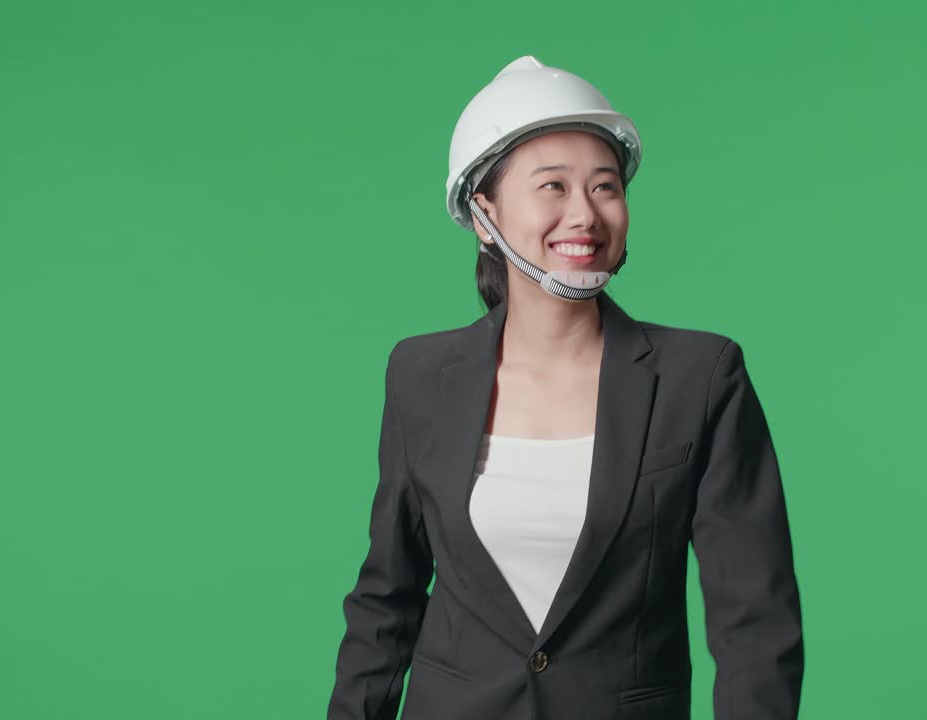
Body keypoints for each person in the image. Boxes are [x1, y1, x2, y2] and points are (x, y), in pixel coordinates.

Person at [327, 55, 804, 720]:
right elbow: (387, 601)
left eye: (605, 187)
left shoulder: (700, 377)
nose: (584, 213)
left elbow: (756, 621)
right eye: (552, 185)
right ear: (483, 213)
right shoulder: (420, 375)